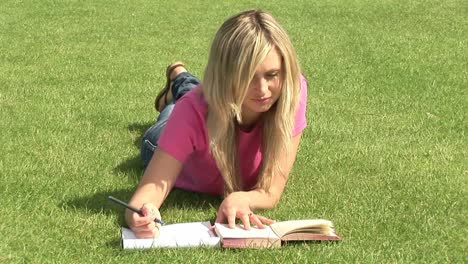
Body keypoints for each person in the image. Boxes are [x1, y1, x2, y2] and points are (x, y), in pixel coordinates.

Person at [126, 9, 308, 238]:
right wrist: (141, 214)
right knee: (178, 109)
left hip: (210, 99)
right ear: (226, 74)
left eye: (272, 75)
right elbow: (146, 195)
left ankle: (180, 78)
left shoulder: (292, 91)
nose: (263, 90)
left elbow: (271, 191)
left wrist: (242, 198)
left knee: (193, 96)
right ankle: (178, 82)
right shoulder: (191, 112)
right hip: (170, 131)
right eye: (248, 77)